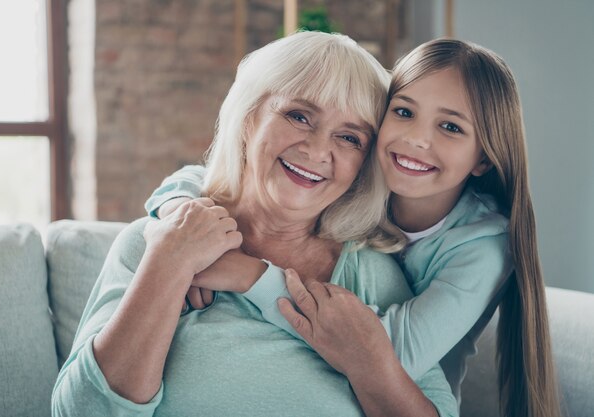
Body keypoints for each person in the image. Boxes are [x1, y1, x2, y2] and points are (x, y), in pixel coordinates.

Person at [146, 38, 562, 417]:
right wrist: (179, 215)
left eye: (450, 127)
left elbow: (382, 353)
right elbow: (211, 176)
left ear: (483, 159)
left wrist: (247, 274)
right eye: (404, 112)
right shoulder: (360, 182)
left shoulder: (483, 248)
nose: (416, 139)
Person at [51, 31, 457, 417]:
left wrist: (368, 364)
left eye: (350, 138)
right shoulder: (155, 240)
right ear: (249, 118)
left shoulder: (372, 274)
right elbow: (81, 410)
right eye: (299, 116)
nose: (317, 150)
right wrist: (169, 263)